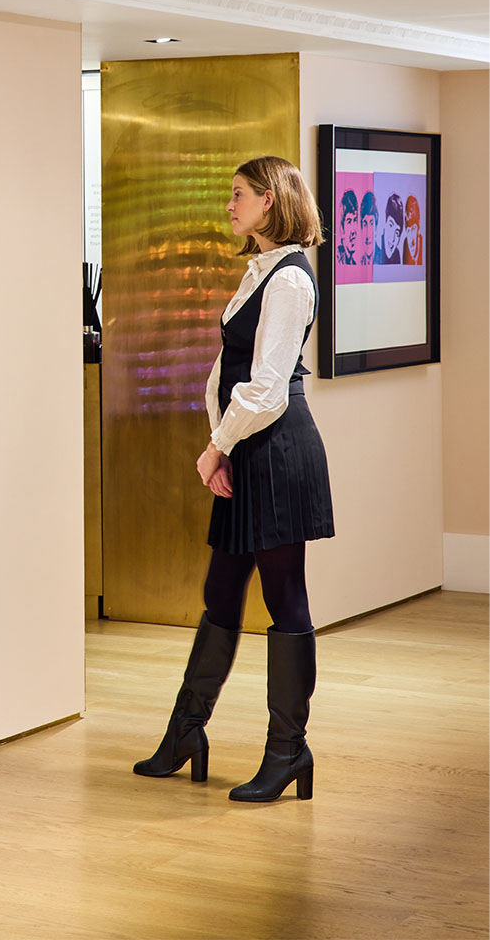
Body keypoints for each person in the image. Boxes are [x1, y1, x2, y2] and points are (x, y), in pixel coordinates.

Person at [133, 156, 334, 802]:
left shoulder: (289, 281)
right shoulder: (259, 272)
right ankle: (185, 733)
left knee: (284, 601)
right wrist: (218, 447)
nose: (230, 205)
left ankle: (287, 750)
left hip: (277, 453)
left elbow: (268, 389)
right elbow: (225, 372)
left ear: (271, 200)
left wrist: (215, 447)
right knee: (220, 593)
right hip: (246, 451)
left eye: (239, 194)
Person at [375, 192, 403, 264]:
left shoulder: (397, 255)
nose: (392, 239)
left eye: (397, 232)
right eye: (390, 225)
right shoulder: (377, 252)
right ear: (384, 224)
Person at [336, 189, 358, 265]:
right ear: (342, 228)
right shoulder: (338, 258)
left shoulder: (353, 262)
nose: (353, 231)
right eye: (349, 222)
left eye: (355, 220)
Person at [359, 190, 378, 266]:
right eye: (365, 224)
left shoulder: (381, 258)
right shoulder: (358, 260)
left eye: (371, 223)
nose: (368, 234)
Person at [402, 195, 423, 265]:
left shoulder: (424, 245)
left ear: (418, 228)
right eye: (408, 230)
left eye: (413, 229)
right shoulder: (405, 244)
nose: (412, 242)